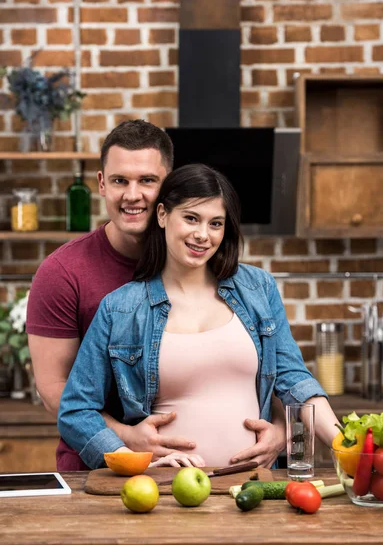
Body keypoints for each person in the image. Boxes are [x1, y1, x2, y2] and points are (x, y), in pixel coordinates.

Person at [27, 120, 286, 471]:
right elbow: (55, 390)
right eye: (120, 181)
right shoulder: (63, 273)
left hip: (217, 482)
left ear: (168, 188)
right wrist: (126, 438)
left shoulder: (214, 271)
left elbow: (265, 368)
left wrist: (283, 429)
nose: (133, 195)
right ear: (102, 183)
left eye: (147, 181)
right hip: (97, 472)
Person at [58, 163, 340, 470]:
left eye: (215, 224)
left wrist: (345, 447)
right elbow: (76, 410)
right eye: (191, 218)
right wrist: (132, 459)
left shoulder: (257, 288)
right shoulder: (121, 308)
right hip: (165, 493)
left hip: (251, 490)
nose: (203, 235)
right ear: (163, 215)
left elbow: (295, 382)